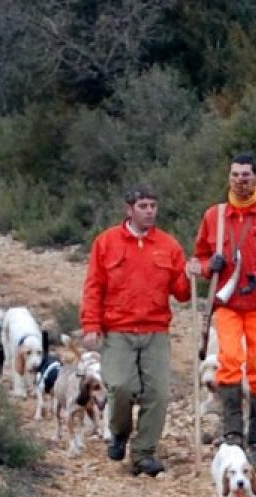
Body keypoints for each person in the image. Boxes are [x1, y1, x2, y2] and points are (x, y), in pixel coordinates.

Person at [186, 153, 256, 468]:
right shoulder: (214, 217)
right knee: (229, 361)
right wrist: (208, 267)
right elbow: (198, 259)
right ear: (228, 178)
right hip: (228, 303)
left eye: (246, 175)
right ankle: (232, 433)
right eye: (235, 175)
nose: (240, 180)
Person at [81, 185, 190, 477]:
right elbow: (94, 287)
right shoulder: (106, 243)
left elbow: (182, 293)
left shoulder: (169, 245)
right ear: (129, 209)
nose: (149, 211)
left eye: (153, 206)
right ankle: (119, 432)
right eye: (143, 206)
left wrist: (194, 273)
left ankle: (143, 453)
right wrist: (91, 325)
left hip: (155, 329)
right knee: (120, 386)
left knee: (158, 393)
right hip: (118, 329)